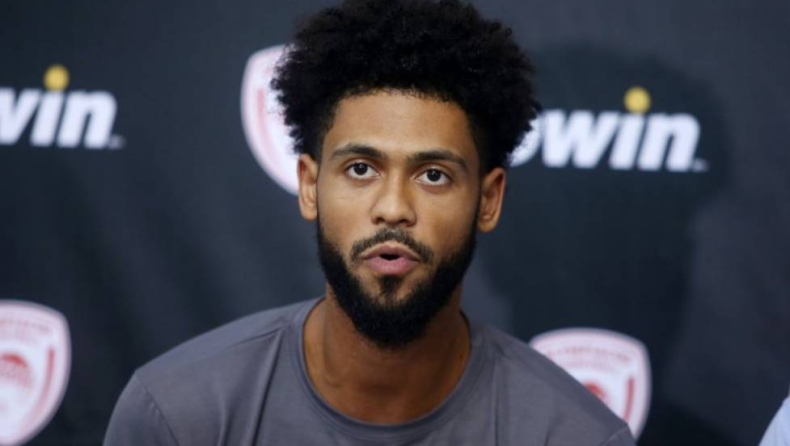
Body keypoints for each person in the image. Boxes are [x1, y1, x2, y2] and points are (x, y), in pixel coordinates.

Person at [104, 0, 635, 444]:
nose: (393, 207)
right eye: (361, 169)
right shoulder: (176, 416)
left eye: (433, 175)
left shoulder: (573, 436)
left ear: (489, 200)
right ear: (309, 185)